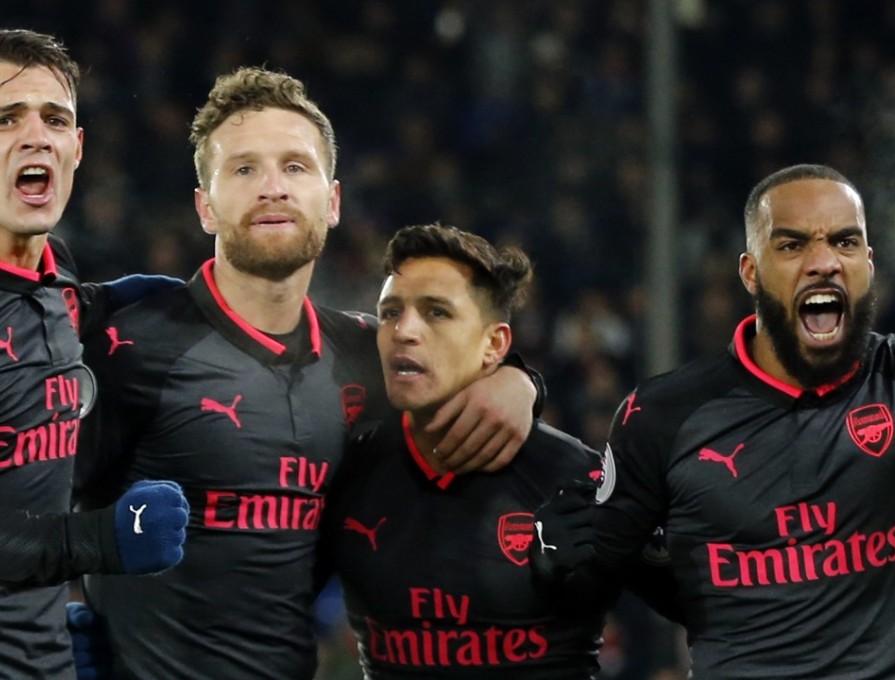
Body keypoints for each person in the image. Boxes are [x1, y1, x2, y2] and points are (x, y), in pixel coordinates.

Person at [74, 67, 539, 680]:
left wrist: (520, 380)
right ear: (205, 208)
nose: (273, 187)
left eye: (295, 167)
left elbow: (469, 367)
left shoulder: (366, 356)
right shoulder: (131, 347)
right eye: (244, 169)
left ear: (334, 200)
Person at [534, 163, 895, 677]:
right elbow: (587, 592)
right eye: (791, 245)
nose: (823, 262)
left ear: (869, 264)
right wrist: (551, 565)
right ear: (750, 271)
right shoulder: (661, 416)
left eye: (845, 242)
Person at [320, 222, 605, 678]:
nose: (404, 331)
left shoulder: (573, 474)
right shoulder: (346, 472)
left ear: (494, 344)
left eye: (436, 313)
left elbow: (700, 614)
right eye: (390, 312)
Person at [0, 28, 191, 680]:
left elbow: (52, 308)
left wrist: (115, 298)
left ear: (76, 148)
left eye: (54, 118)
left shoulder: (53, 276)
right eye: (5, 118)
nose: (35, 136)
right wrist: (102, 541)